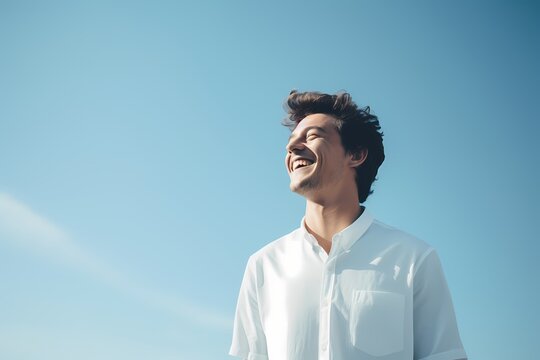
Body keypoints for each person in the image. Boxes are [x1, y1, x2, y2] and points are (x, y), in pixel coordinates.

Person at [229, 91, 467, 360]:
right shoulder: (263, 265)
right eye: (291, 141)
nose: (293, 147)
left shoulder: (415, 259)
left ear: (355, 154)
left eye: (312, 136)